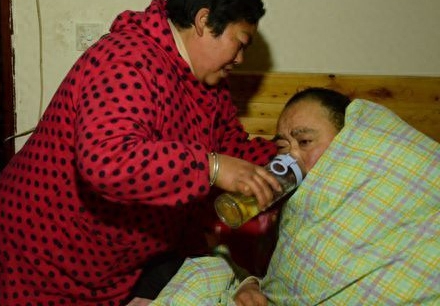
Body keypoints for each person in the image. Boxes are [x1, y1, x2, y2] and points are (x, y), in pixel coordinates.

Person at [0, 0, 281, 305]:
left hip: (108, 259)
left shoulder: (209, 85)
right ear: (204, 22)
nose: (240, 58)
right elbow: (107, 160)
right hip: (44, 247)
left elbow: (232, 149)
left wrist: (290, 158)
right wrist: (211, 168)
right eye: (240, 43)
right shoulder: (128, 58)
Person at [153, 87, 440, 305]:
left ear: (350, 142)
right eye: (282, 147)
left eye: (304, 141)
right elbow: (280, 282)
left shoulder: (391, 180)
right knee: (207, 270)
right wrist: (248, 284)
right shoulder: (288, 212)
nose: (290, 158)